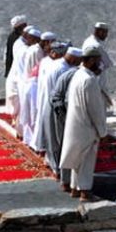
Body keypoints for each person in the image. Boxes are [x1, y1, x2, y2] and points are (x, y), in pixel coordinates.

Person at [60, 47, 107, 201]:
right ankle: (85, 192)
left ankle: (75, 188)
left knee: (77, 159)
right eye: (98, 61)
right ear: (92, 60)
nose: (99, 64)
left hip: (75, 123)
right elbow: (95, 109)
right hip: (86, 126)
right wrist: (102, 131)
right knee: (86, 160)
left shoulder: (78, 75)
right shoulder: (89, 80)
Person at [37, 44, 82, 184]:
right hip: (56, 108)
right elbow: (60, 95)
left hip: (49, 104)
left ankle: (52, 164)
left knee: (52, 139)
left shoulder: (55, 64)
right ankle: (59, 171)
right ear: (74, 59)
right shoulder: (63, 70)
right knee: (58, 140)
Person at [49, 49, 82, 191]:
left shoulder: (85, 76)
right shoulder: (69, 75)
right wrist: (65, 116)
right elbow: (56, 97)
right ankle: (67, 181)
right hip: (66, 118)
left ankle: (75, 182)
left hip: (78, 120)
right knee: (66, 148)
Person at [6, 24, 36, 137]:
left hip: (20, 81)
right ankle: (22, 133)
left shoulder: (24, 46)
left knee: (22, 110)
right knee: (23, 110)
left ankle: (21, 133)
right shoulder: (25, 49)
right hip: (21, 81)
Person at [82, 22, 113, 105]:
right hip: (97, 84)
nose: (106, 35)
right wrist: (100, 68)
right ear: (99, 31)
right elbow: (107, 63)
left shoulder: (87, 41)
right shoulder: (96, 45)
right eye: (105, 33)